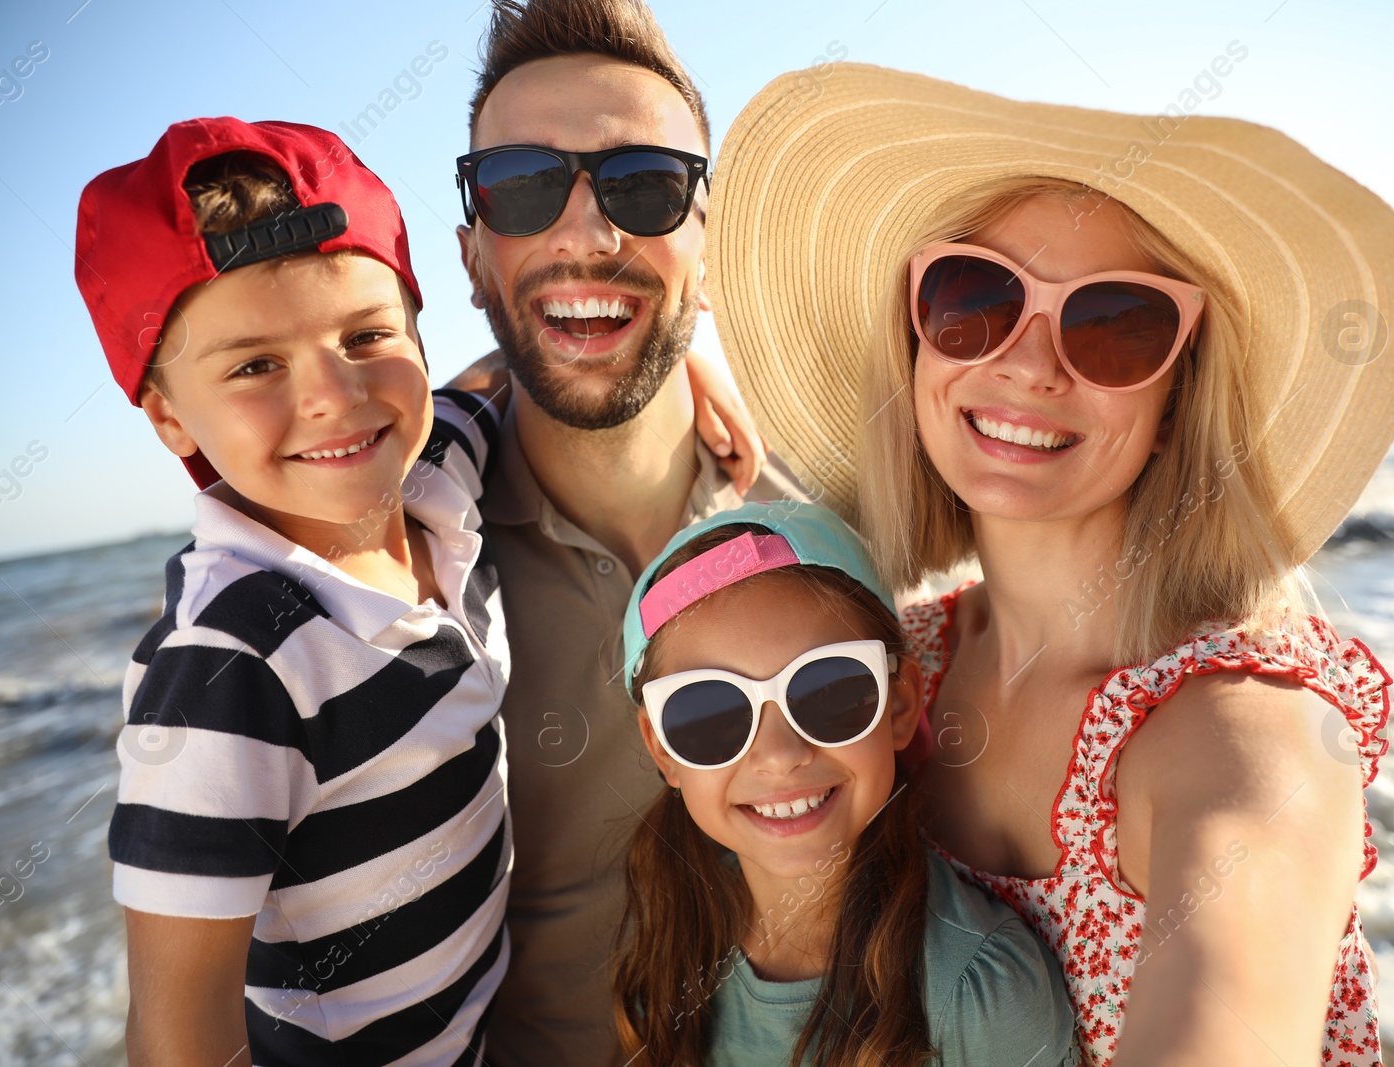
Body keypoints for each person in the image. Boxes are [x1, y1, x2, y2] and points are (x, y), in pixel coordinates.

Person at [706, 64, 1394, 1065]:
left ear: (1178, 390)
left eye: (1114, 323)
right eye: (975, 296)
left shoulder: (1247, 732)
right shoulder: (884, 668)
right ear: (912, 340)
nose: (1031, 363)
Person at [74, 118, 513, 1064]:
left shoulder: (438, 479)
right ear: (167, 414)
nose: (334, 395)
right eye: (255, 365)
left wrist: (691, 360)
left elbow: (499, 381)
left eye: (367, 334)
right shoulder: (229, 672)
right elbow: (176, 1034)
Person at [449, 2, 806, 1062]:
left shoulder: (828, 512)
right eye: (522, 186)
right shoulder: (405, 561)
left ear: (713, 235)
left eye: (643, 184)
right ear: (473, 256)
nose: (585, 234)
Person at [614, 501, 1075, 1066]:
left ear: (900, 702)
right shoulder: (675, 941)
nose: (780, 756)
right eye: (710, 713)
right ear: (662, 748)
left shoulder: (980, 995)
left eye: (828, 691)